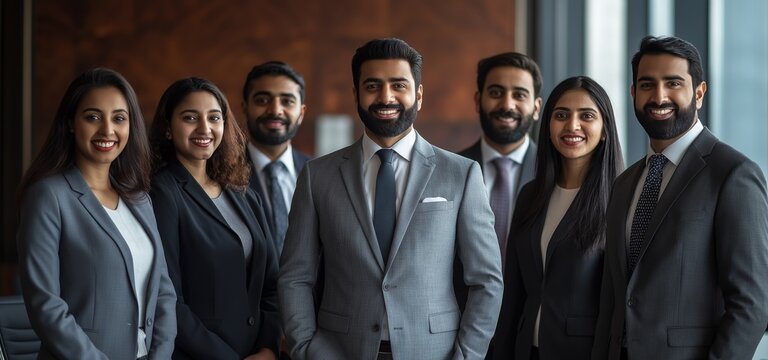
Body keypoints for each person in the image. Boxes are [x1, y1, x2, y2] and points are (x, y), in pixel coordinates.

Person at [278, 38, 503, 360]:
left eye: (399, 85)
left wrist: (467, 356)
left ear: (419, 95)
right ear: (356, 94)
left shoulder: (461, 174)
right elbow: (295, 277)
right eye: (373, 85)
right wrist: (305, 348)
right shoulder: (318, 176)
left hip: (434, 353)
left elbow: (487, 281)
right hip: (339, 351)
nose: (386, 97)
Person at [592, 36, 768, 360]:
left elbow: (753, 306)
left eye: (673, 83)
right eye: (647, 84)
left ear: (699, 93)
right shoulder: (624, 184)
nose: (659, 96)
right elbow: (613, 301)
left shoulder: (733, 174)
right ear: (633, 93)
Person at [17, 68, 176, 359]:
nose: (107, 130)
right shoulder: (49, 196)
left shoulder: (140, 198)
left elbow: (163, 291)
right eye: (92, 117)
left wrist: (160, 355)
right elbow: (45, 303)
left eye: (119, 118)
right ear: (70, 124)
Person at [149, 77, 281, 360]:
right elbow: (168, 300)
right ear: (168, 128)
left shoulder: (244, 195)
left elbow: (271, 283)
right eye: (189, 117)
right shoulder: (162, 193)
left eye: (214, 117)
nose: (204, 128)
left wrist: (269, 348)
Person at [493, 76, 624, 360]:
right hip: (525, 350)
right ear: (548, 127)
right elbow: (513, 293)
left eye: (586, 116)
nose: (572, 126)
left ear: (604, 130)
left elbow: (618, 303)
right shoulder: (531, 194)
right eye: (561, 115)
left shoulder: (620, 197)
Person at [456, 51, 543, 312]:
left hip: (532, 327)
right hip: (463, 321)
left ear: (536, 107)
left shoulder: (557, 174)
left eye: (519, 94)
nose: (507, 104)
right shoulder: (448, 172)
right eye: (495, 92)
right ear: (477, 100)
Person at [242, 61, 311, 247]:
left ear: (301, 113)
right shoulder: (220, 173)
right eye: (262, 100)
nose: (275, 110)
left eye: (287, 101)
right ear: (245, 107)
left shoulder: (320, 173)